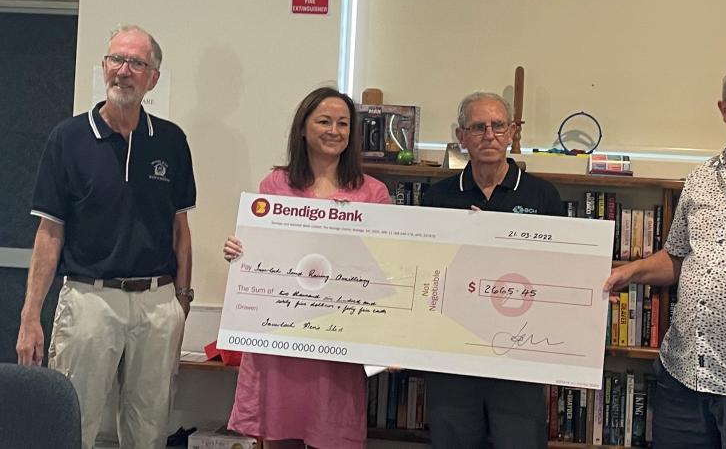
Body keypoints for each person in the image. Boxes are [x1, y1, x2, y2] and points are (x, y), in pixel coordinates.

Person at [15, 25, 196, 449]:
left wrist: (182, 303)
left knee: (148, 432)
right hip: (89, 300)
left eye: (137, 63)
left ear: (152, 77)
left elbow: (181, 231)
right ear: (103, 67)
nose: (124, 71)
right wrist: (29, 317)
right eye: (117, 59)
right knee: (72, 424)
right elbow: (49, 233)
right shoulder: (68, 138)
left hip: (157, 303)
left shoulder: (172, 141)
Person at [604, 58, 726, 449]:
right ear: (724, 109)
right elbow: (676, 257)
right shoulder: (700, 178)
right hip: (683, 379)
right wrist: (629, 272)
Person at [223, 87, 391, 449]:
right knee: (279, 438)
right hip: (283, 343)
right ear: (303, 128)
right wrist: (239, 251)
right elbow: (262, 253)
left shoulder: (373, 193)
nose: (335, 130)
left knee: (333, 437)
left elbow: (384, 268)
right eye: (325, 121)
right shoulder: (275, 185)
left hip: (336, 346)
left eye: (343, 123)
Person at [421, 91, 563, 449]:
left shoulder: (542, 196)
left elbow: (559, 271)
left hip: (520, 354)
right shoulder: (437, 197)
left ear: (513, 132)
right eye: (478, 126)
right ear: (461, 136)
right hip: (453, 352)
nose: (489, 134)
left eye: (499, 125)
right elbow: (424, 269)